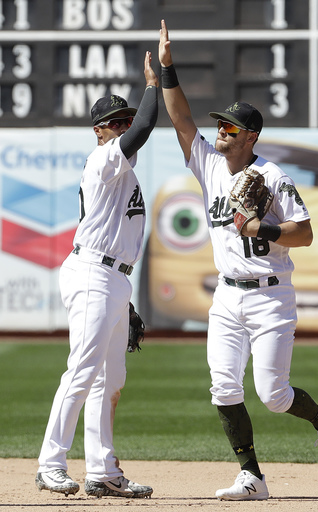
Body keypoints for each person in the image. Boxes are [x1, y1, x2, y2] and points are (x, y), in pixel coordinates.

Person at [158, 20, 318, 501]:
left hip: (270, 296)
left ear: (250, 137)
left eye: (230, 127)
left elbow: (304, 234)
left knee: (273, 396)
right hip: (227, 295)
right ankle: (253, 477)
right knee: (223, 388)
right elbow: (182, 121)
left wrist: (260, 227)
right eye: (220, 125)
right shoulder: (208, 164)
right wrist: (166, 70)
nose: (220, 131)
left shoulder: (272, 175)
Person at [35, 51, 159, 499]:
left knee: (110, 380)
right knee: (83, 371)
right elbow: (146, 129)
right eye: (115, 122)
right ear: (99, 131)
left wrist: (123, 296)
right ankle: (50, 463)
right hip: (92, 271)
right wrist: (154, 82)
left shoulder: (122, 173)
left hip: (111, 277)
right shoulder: (105, 159)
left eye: (124, 119)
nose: (124, 126)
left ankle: (103, 470)